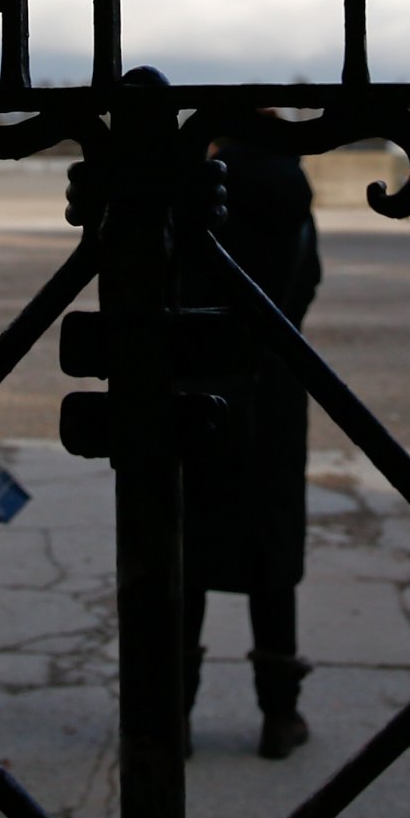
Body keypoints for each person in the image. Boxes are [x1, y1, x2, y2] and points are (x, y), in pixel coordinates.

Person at [182, 127, 322, 759]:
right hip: (274, 389)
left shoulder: (202, 190)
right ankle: (278, 715)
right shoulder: (293, 194)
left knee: (189, 551)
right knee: (272, 551)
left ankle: (172, 714)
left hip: (205, 382)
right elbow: (308, 281)